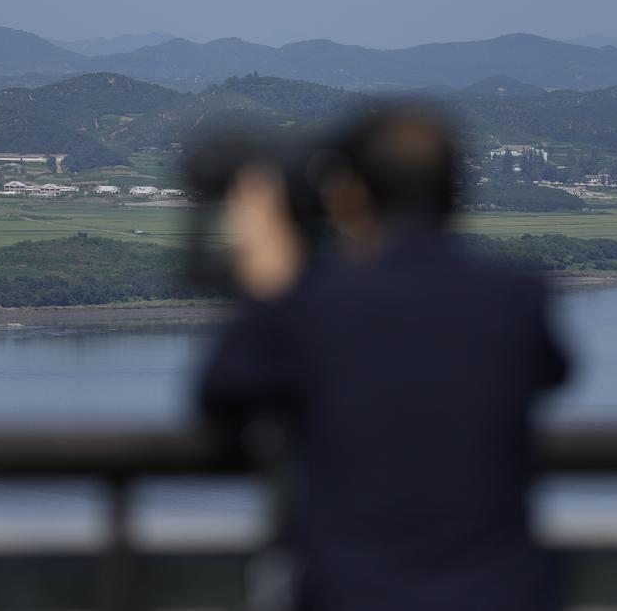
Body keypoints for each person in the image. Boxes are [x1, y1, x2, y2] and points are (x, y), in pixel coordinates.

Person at [198, 104, 570, 611]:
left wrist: (269, 287)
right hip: (503, 594)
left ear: (352, 194)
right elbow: (553, 373)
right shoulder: (514, 297)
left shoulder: (314, 305)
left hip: (352, 594)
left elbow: (221, 396)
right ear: (454, 192)